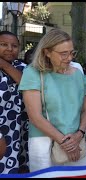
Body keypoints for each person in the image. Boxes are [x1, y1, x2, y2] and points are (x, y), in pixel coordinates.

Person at [18, 29, 86, 172]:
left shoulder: (78, 72)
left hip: (79, 140)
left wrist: (79, 134)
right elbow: (35, 117)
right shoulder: (32, 73)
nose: (70, 58)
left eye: (72, 52)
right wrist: (65, 142)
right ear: (47, 52)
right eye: (64, 53)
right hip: (45, 143)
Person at [0, 31, 29, 174]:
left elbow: (25, 84)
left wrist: (4, 65)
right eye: (3, 45)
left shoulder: (23, 67)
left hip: (21, 131)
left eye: (14, 46)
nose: (10, 49)